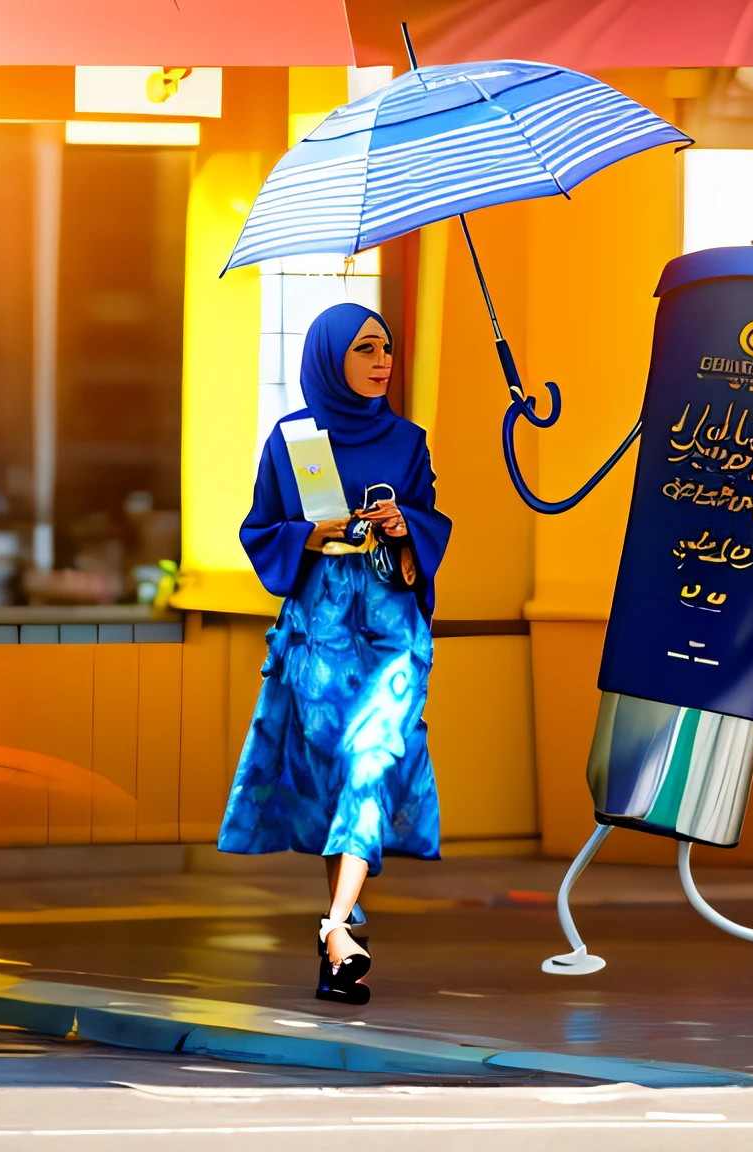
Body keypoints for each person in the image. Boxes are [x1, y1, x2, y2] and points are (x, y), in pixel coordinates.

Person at [217, 302, 452, 1006]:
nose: (383, 361)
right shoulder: (293, 439)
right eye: (365, 349)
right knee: (335, 775)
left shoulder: (408, 442)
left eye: (387, 348)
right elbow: (260, 528)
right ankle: (337, 938)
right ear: (329, 358)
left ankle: (338, 928)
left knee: (373, 761)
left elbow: (433, 523)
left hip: (389, 624)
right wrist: (312, 534)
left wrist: (404, 524)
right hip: (320, 625)